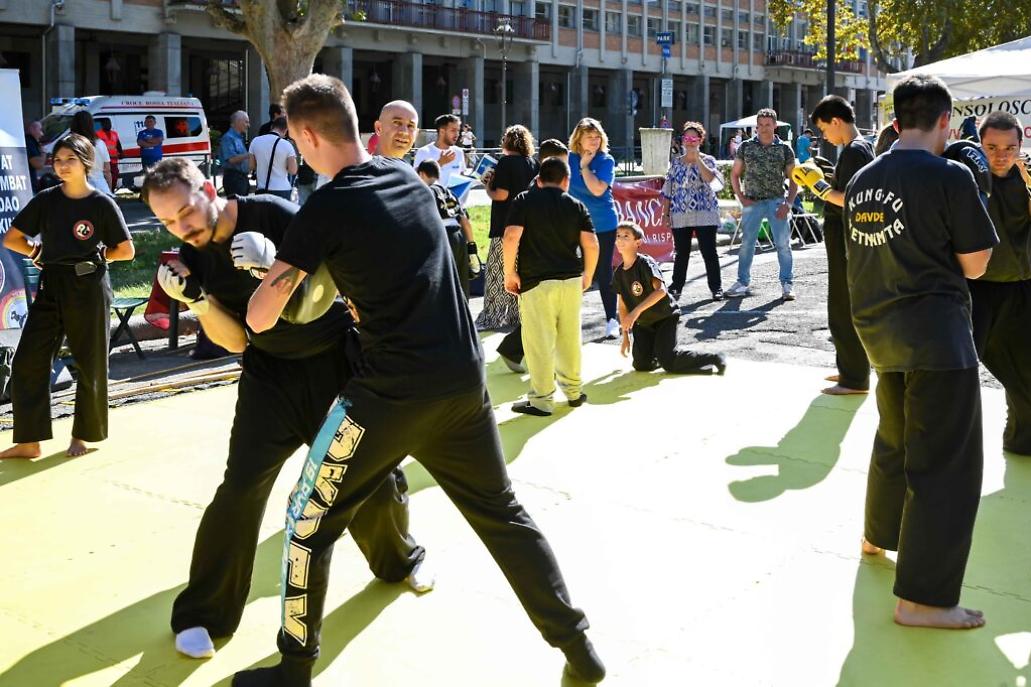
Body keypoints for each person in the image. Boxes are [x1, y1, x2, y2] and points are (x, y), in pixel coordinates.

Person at [234, 74, 604, 687]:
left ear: (308, 135)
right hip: (463, 380)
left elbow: (261, 318)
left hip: (388, 393)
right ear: (359, 124)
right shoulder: (409, 181)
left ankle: (294, 669)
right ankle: (579, 647)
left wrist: (264, 266)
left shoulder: (325, 207)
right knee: (502, 513)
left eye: (295, 142)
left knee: (307, 521)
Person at [140, 158, 433, 661]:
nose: (182, 227)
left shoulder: (273, 214)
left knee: (370, 477)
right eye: (168, 222)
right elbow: (237, 341)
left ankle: (400, 560)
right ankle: (203, 613)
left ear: (208, 189)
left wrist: (275, 264)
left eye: (186, 211)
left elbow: (339, 279)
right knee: (239, 490)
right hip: (268, 376)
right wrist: (198, 302)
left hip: (332, 361)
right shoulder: (195, 258)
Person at [846, 74, 997, 629]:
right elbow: (976, 264)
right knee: (946, 466)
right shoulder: (950, 174)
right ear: (945, 123)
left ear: (895, 121)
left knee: (895, 439)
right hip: (937, 336)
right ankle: (923, 601)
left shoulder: (862, 178)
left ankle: (876, 535)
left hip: (879, 331)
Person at [0, 133, 135, 460]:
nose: (62, 166)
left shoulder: (101, 204)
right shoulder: (46, 200)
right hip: (51, 286)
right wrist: (37, 252)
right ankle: (29, 440)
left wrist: (102, 255)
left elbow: (126, 250)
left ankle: (83, 435)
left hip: (89, 287)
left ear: (86, 162)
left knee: (90, 363)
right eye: (57, 160)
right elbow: (12, 238)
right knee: (27, 360)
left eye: (70, 159)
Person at [503, 156, 599, 416]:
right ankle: (574, 392)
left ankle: (542, 400)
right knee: (570, 338)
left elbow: (511, 237)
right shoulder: (576, 205)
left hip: (536, 282)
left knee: (539, 342)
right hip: (571, 280)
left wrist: (509, 272)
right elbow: (591, 243)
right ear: (566, 181)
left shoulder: (524, 200)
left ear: (539, 180)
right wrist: (588, 275)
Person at [797, 95, 874, 395]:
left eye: (823, 128)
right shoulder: (859, 148)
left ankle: (854, 378)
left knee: (842, 306)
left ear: (836, 121)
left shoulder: (855, 150)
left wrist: (817, 186)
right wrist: (827, 176)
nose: (824, 135)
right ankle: (850, 368)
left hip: (846, 237)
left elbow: (851, 199)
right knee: (843, 304)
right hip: (845, 238)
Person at [973, 111, 1031, 455]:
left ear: (1020, 146)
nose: (1001, 155)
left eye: (1010, 147)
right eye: (992, 147)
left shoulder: (1026, 180)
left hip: (1021, 288)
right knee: (956, 376)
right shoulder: (967, 181)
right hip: (976, 289)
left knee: (1026, 376)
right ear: (980, 144)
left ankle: (1021, 442)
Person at [495, 139, 570, 373]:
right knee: (545, 314)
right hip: (540, 261)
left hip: (546, 260)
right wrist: (510, 271)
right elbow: (513, 234)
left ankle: (516, 350)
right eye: (562, 164)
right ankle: (516, 350)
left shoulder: (545, 188)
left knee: (546, 315)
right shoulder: (537, 191)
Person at [613, 221, 726, 375]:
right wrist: (625, 337)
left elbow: (661, 291)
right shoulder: (619, 274)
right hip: (643, 322)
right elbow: (622, 305)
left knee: (670, 361)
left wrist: (635, 313)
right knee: (641, 365)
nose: (620, 239)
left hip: (664, 317)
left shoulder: (645, 263)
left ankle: (713, 358)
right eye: (618, 236)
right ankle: (661, 356)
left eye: (626, 236)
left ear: (637, 242)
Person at [727, 108, 798, 300]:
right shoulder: (746, 147)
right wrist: (741, 197)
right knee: (747, 244)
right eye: (760, 125)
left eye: (768, 124)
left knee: (783, 244)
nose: (764, 128)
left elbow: (794, 179)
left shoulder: (785, 149)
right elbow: (734, 174)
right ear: (756, 126)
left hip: (777, 201)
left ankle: (787, 284)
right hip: (752, 201)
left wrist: (788, 204)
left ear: (775, 126)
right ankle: (742, 282)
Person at [476, 125, 539, 330]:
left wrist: (488, 187)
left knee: (497, 274)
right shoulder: (533, 163)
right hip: (528, 226)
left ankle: (492, 317)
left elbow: (501, 195)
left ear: (507, 141)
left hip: (504, 225)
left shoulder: (505, 163)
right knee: (518, 274)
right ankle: (516, 315)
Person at [568, 117, 621, 339]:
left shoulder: (605, 160)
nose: (594, 141)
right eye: (589, 136)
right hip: (573, 224)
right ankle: (567, 322)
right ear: (578, 139)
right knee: (570, 272)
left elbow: (597, 189)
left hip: (603, 223)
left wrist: (584, 167)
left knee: (603, 271)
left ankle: (611, 320)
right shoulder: (567, 158)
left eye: (597, 137)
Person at [661, 121, 724, 301]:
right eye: (686, 138)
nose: (689, 142)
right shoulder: (676, 162)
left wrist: (697, 159)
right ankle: (676, 286)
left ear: (700, 140)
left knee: (709, 251)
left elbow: (711, 180)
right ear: (682, 140)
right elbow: (668, 189)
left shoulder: (708, 160)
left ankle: (716, 287)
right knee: (681, 253)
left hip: (705, 213)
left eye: (693, 139)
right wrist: (665, 214)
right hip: (680, 213)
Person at [417, 159, 480, 297]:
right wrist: (471, 247)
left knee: (442, 283)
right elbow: (464, 221)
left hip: (442, 237)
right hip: (458, 236)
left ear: (421, 174)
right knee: (461, 283)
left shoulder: (427, 192)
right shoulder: (450, 193)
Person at [249, 116, 298, 200]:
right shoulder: (287, 145)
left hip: (262, 189)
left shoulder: (255, 141)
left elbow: (251, 166)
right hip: (282, 190)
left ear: (272, 127)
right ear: (286, 130)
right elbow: (293, 171)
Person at [412, 113, 466, 186]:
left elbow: (462, 176)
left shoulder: (459, 152)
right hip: (431, 193)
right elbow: (416, 179)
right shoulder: (424, 152)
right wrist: (439, 163)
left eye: (458, 130)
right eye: (453, 130)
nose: (457, 134)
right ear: (442, 131)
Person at [70, 110, 113, 196]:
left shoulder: (70, 144)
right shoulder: (100, 143)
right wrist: (109, 191)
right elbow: (107, 171)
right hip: (101, 189)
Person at [220, 110, 251, 197]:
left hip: (242, 178)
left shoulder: (239, 138)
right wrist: (250, 155)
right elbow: (231, 159)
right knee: (236, 205)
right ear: (238, 122)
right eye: (246, 122)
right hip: (234, 178)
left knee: (242, 205)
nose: (248, 125)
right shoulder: (228, 138)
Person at [96, 119, 123, 190]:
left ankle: (112, 191)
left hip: (114, 159)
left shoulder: (114, 133)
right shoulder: (98, 134)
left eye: (109, 123)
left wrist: (121, 153)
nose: (108, 125)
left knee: (114, 176)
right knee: (105, 177)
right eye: (106, 123)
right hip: (103, 161)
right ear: (102, 125)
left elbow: (118, 144)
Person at [24, 120, 44, 194]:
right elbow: (38, 164)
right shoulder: (30, 142)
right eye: (40, 130)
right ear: (32, 129)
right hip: (29, 186)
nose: (42, 134)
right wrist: (43, 152)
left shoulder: (26, 141)